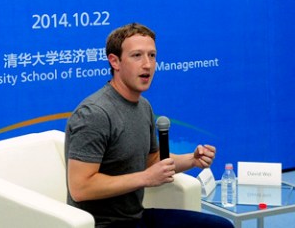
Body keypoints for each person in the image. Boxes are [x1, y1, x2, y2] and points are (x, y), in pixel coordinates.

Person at [65, 23, 232, 228]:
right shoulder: (94, 114)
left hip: (136, 218)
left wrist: (192, 160)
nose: (147, 65)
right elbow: (81, 188)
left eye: (152, 56)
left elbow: (152, 160)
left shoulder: (143, 106)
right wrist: (145, 178)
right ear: (114, 61)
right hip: (101, 225)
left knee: (221, 226)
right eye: (137, 56)